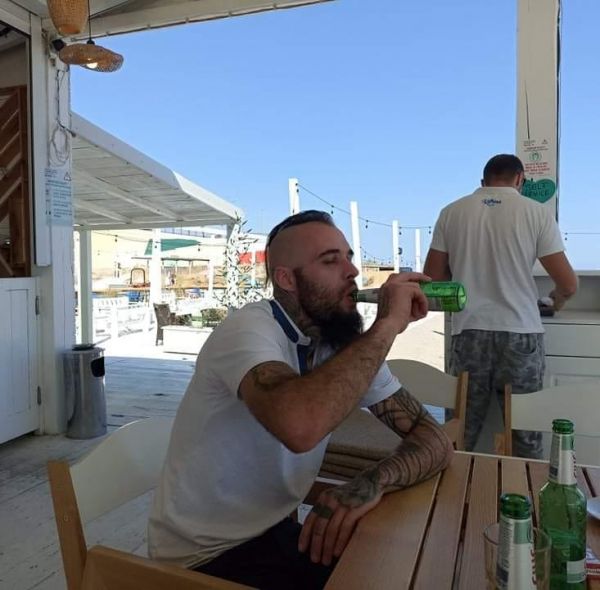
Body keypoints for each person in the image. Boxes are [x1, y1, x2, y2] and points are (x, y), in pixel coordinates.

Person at [148, 210, 453, 590]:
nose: (352, 272)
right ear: (287, 279)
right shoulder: (248, 329)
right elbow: (300, 427)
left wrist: (370, 484)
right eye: (330, 260)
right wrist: (389, 324)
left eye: (349, 258)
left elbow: (434, 439)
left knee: (407, 565)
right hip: (201, 560)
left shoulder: (338, 343)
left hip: (273, 535)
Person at [423, 154, 578, 458]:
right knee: (525, 436)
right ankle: (525, 487)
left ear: (483, 182)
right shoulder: (537, 213)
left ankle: (455, 487)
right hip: (521, 334)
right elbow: (569, 285)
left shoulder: (451, 212)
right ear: (520, 179)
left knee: (459, 434)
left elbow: (433, 280)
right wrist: (554, 302)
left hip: (469, 333)